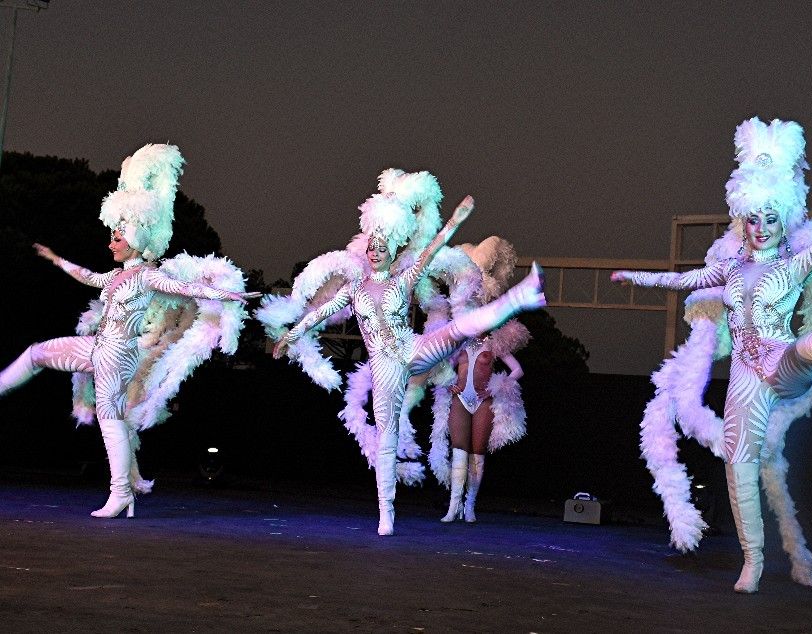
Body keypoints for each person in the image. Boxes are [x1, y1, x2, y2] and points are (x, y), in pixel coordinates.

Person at [612, 118, 812, 592]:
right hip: (745, 379)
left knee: (806, 352)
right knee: (738, 463)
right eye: (754, 219)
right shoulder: (729, 269)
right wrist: (635, 277)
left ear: (782, 219)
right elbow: (682, 280)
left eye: (771, 219)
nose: (761, 228)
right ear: (743, 219)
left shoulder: (794, 265)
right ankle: (752, 561)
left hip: (781, 360)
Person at [271, 183, 545, 536]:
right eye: (371, 247)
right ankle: (386, 514)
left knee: (461, 327)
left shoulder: (403, 280)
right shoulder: (353, 289)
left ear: (391, 251)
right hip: (384, 367)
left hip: (412, 349)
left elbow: (430, 253)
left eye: (381, 247)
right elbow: (320, 313)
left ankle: (522, 295)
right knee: (388, 436)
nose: (374, 251)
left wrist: (454, 223)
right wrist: (292, 335)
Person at [0, 144, 259, 519]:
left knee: (111, 415)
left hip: (119, 354)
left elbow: (189, 290)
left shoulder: (149, 276)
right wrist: (57, 260)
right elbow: (88, 277)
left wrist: (229, 295)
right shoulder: (117, 275)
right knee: (38, 352)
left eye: (118, 238)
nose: (111, 242)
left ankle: (121, 494)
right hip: (98, 346)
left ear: (135, 241)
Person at [431, 237, 531, 523]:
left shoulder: (495, 341)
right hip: (460, 397)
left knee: (477, 452)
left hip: (483, 401)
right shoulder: (457, 340)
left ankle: (470, 505)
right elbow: (438, 363)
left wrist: (498, 386)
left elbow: (517, 369)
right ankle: (452, 507)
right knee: (458, 450)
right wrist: (449, 381)